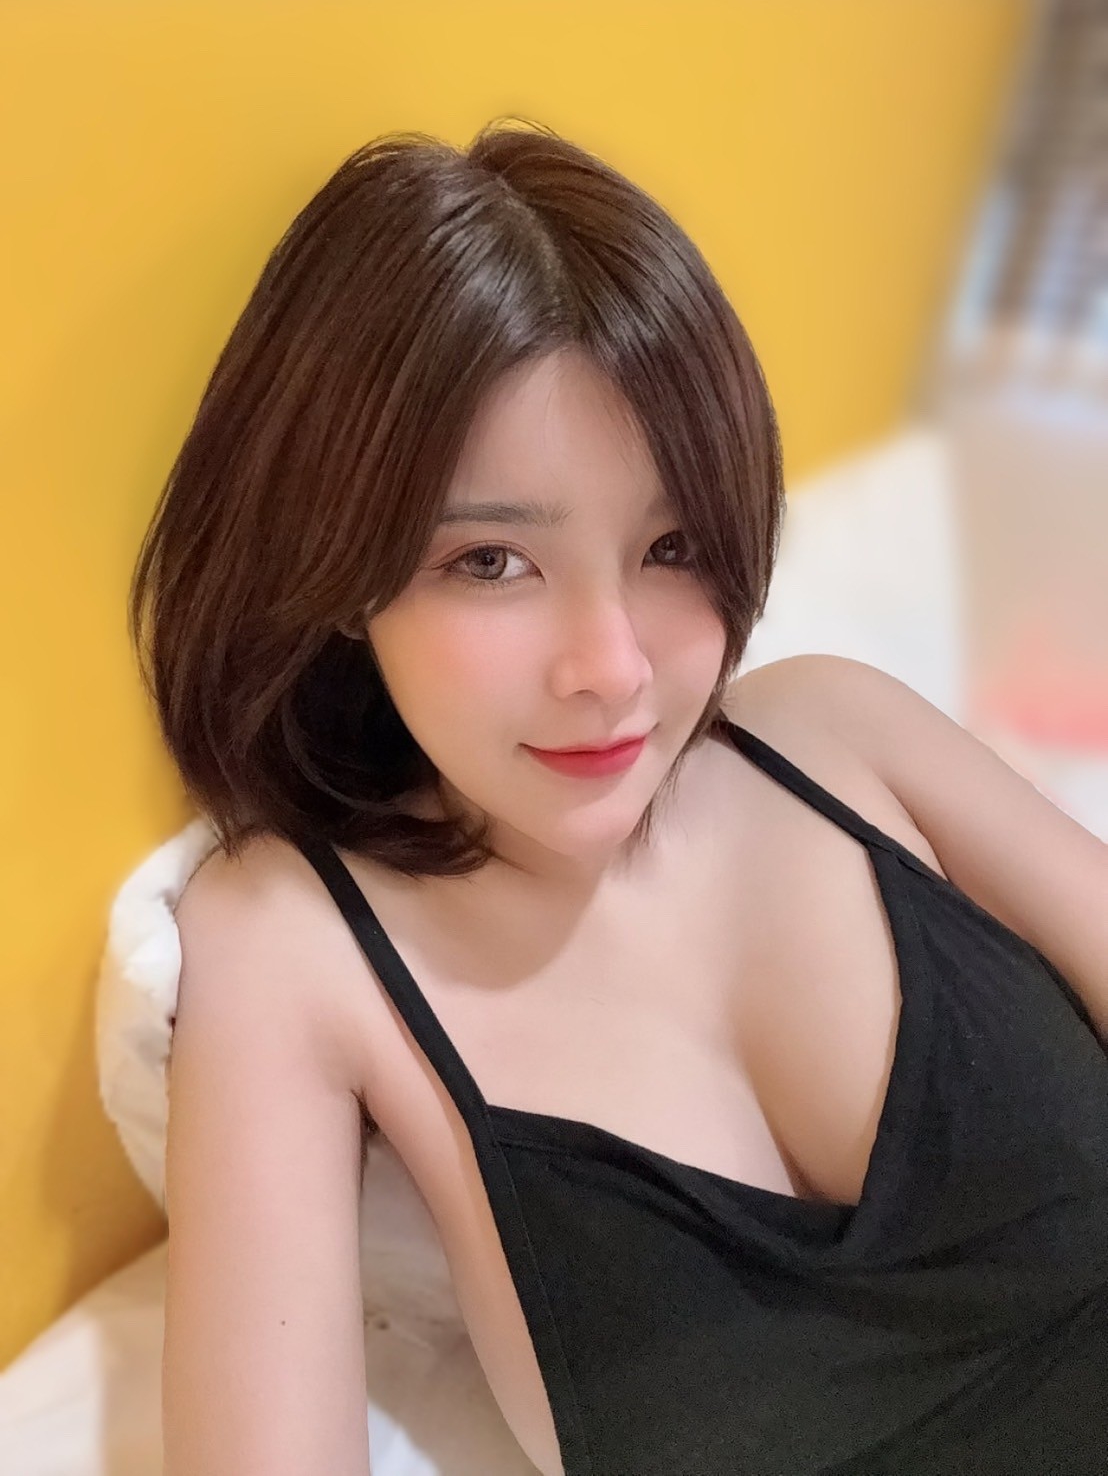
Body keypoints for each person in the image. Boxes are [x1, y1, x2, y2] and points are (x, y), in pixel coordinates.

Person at [131, 118, 1108, 1476]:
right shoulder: (291, 943)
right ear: (340, 567)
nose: (612, 668)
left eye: (673, 544)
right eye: (490, 561)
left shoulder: (837, 730)